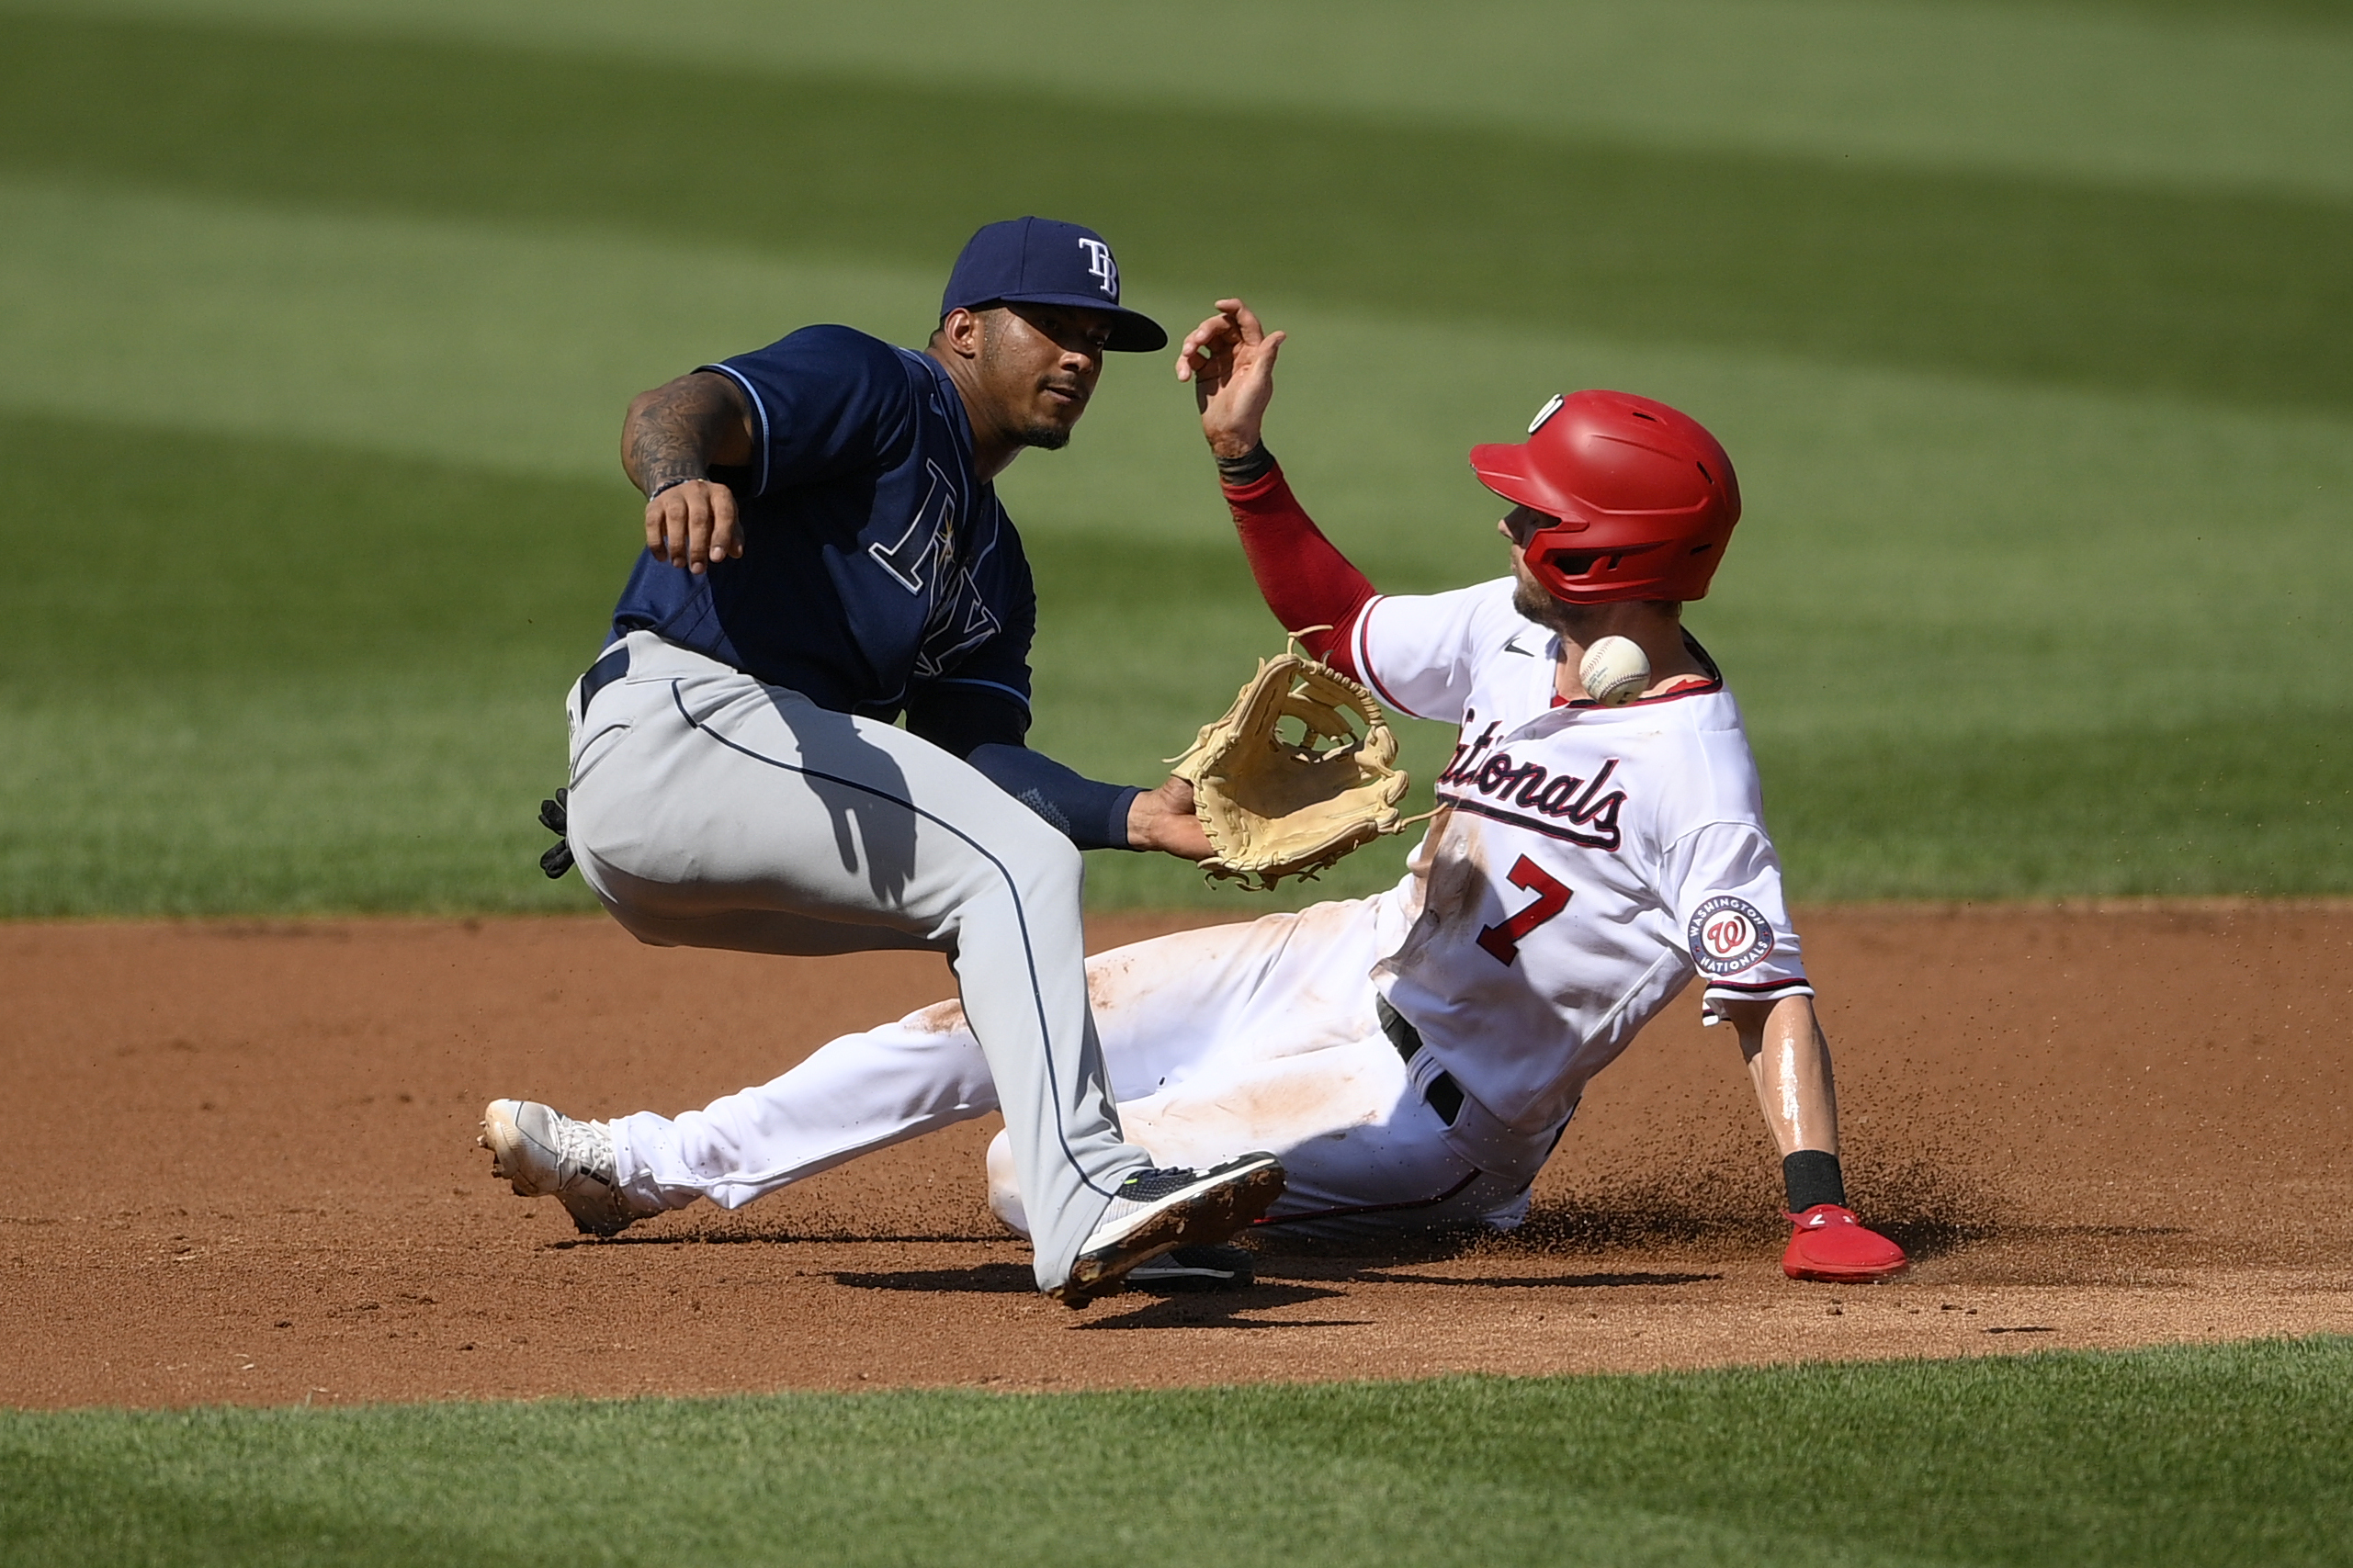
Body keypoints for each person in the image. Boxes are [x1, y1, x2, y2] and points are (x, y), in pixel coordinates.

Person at [493, 295, 1907, 1292]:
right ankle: (645, 1162)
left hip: (1437, 1105)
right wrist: (1243, 458)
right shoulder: (1510, 624)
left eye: (1535, 511)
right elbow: (1340, 631)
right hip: (1339, 954)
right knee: (1001, 1011)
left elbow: (1766, 990)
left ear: (1610, 550)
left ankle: (1298, 1218)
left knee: (1026, 1172)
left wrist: (1817, 1203)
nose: (1506, 518)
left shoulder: (1693, 765)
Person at [479, 221, 1285, 1309]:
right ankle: (1086, 1191)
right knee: (1015, 869)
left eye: (1097, 338)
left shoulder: (993, 565)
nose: (1081, 356)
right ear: (963, 328)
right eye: (1052, 325)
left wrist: (1134, 814)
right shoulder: (876, 386)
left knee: (1004, 890)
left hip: (741, 801)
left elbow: (969, 761)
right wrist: (676, 478)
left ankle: (1092, 1193)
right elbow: (673, 411)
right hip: (676, 733)